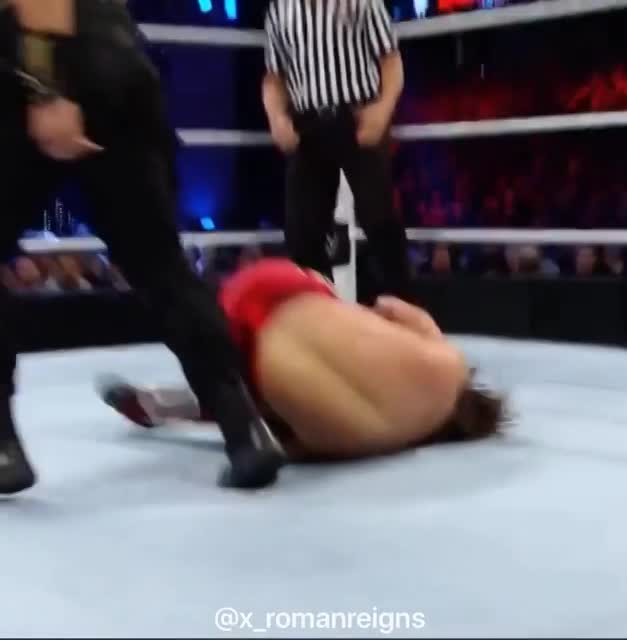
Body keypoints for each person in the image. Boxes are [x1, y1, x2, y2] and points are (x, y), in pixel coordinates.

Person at [0, 0, 284, 494]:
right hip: (102, 59)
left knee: (157, 262)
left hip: (50, 62)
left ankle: (2, 446)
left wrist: (48, 91)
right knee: (159, 263)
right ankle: (244, 429)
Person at [98, 258, 507, 462]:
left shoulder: (449, 360)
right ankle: (163, 404)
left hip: (280, 288)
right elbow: (294, 447)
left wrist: (346, 314)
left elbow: (388, 307)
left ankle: (161, 403)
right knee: (253, 403)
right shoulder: (391, 439)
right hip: (262, 376)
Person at [262, 0, 412, 300]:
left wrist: (382, 109)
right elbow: (274, 77)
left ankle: (405, 312)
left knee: (380, 223)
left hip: (358, 116)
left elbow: (391, 61)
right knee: (302, 233)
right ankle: (321, 314)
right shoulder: (280, 9)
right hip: (307, 125)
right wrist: (277, 117)